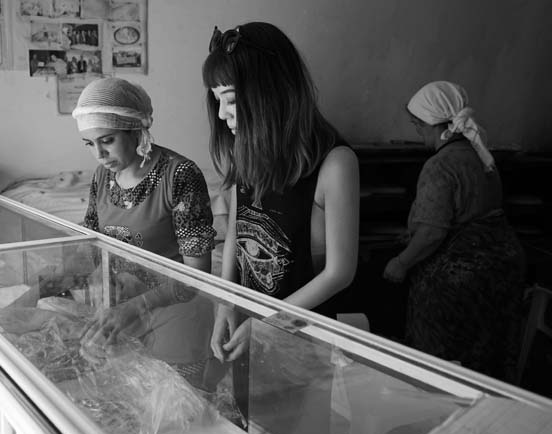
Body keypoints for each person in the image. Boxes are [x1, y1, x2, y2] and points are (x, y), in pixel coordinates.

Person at [203, 22, 359, 364]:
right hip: (250, 322)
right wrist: (225, 303)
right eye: (217, 101)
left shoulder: (335, 163)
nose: (221, 114)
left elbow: (339, 273)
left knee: (296, 415)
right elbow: (235, 233)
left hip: (303, 337)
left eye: (229, 100)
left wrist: (271, 323)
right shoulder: (245, 150)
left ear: (270, 91)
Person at [72, 77, 217, 388]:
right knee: (129, 416)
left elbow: (197, 276)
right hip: (124, 317)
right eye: (89, 144)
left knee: (178, 420)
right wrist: (43, 288)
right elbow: (90, 248)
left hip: (176, 319)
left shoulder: (179, 175)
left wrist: (131, 308)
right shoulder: (103, 176)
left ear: (136, 129)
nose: (98, 154)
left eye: (107, 140)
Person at [383, 80, 526, 382]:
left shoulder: (440, 164)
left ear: (432, 124)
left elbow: (433, 233)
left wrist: (401, 262)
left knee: (445, 364)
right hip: (503, 269)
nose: (417, 132)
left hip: (461, 280)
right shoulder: (482, 155)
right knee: (487, 359)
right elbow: (472, 212)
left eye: (418, 125)